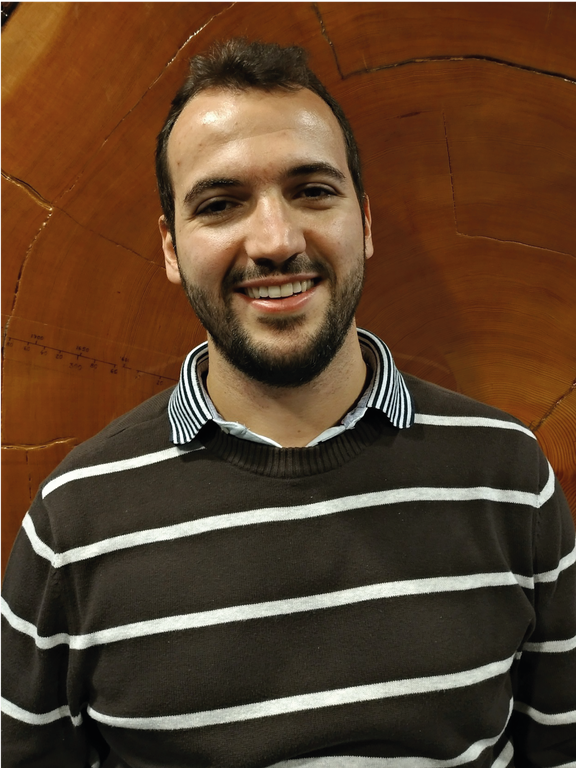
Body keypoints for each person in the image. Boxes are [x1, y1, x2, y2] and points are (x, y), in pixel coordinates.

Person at [1, 38, 575, 768]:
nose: (275, 241)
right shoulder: (73, 523)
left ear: (364, 223)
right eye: (219, 204)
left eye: (312, 191)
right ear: (172, 249)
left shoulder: (509, 478)